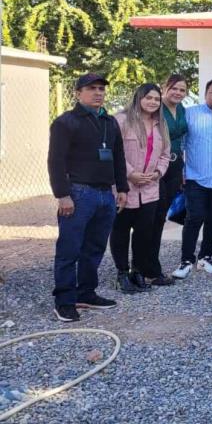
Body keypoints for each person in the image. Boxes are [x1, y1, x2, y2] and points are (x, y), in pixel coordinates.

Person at [48, 73, 128, 322]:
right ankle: (64, 301)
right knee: (69, 249)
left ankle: (86, 292)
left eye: (102, 89)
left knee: (94, 248)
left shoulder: (109, 122)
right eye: (92, 88)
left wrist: (122, 188)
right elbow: (56, 161)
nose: (98, 93)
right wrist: (62, 195)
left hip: (106, 195)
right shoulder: (66, 122)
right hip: (78, 193)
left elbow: (118, 156)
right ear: (77, 93)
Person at [110, 83, 171, 293]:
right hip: (125, 187)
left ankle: (138, 270)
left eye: (156, 99)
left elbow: (165, 155)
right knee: (121, 230)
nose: (153, 102)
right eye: (149, 98)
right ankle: (122, 273)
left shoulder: (160, 124)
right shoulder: (121, 120)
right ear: (139, 98)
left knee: (144, 232)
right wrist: (131, 174)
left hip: (150, 188)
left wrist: (157, 173)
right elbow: (114, 152)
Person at [173, 79, 212, 279]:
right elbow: (180, 144)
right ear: (205, 94)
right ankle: (186, 260)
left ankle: (206, 257)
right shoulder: (190, 115)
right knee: (194, 217)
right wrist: (180, 171)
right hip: (195, 177)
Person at [151, 75, 188, 272]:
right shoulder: (155, 108)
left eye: (182, 90)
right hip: (156, 166)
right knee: (151, 216)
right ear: (164, 87)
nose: (178, 93)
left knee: (161, 216)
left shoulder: (181, 109)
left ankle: (153, 264)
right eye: (174, 88)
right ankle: (143, 265)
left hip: (175, 166)